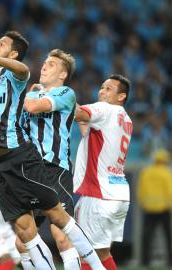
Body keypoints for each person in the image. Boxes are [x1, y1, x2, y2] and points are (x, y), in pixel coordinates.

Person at [0, 31, 104, 269]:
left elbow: (22, 74)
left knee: (58, 222)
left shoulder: (33, 83)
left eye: (1, 44)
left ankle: (98, 267)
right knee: (24, 233)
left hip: (27, 158)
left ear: (13, 53)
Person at [19, 48, 80, 269]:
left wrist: (27, 94)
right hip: (29, 171)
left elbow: (33, 106)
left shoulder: (65, 93)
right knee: (23, 242)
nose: (44, 66)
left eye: (52, 64)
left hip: (55, 169)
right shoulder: (32, 94)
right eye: (44, 63)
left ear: (63, 74)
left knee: (61, 234)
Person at [73, 74, 133, 270]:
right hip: (118, 194)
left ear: (121, 96)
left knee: (86, 254)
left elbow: (77, 114)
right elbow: (90, 135)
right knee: (102, 253)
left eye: (108, 88)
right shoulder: (126, 119)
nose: (102, 91)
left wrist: (56, 95)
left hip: (99, 194)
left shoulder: (105, 109)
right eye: (102, 87)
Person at [137, 149, 172, 266]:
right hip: (164, 209)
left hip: (149, 208)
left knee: (147, 236)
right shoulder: (166, 173)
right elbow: (170, 191)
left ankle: (144, 261)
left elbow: (140, 190)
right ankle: (170, 261)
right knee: (168, 236)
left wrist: (142, 203)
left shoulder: (146, 172)